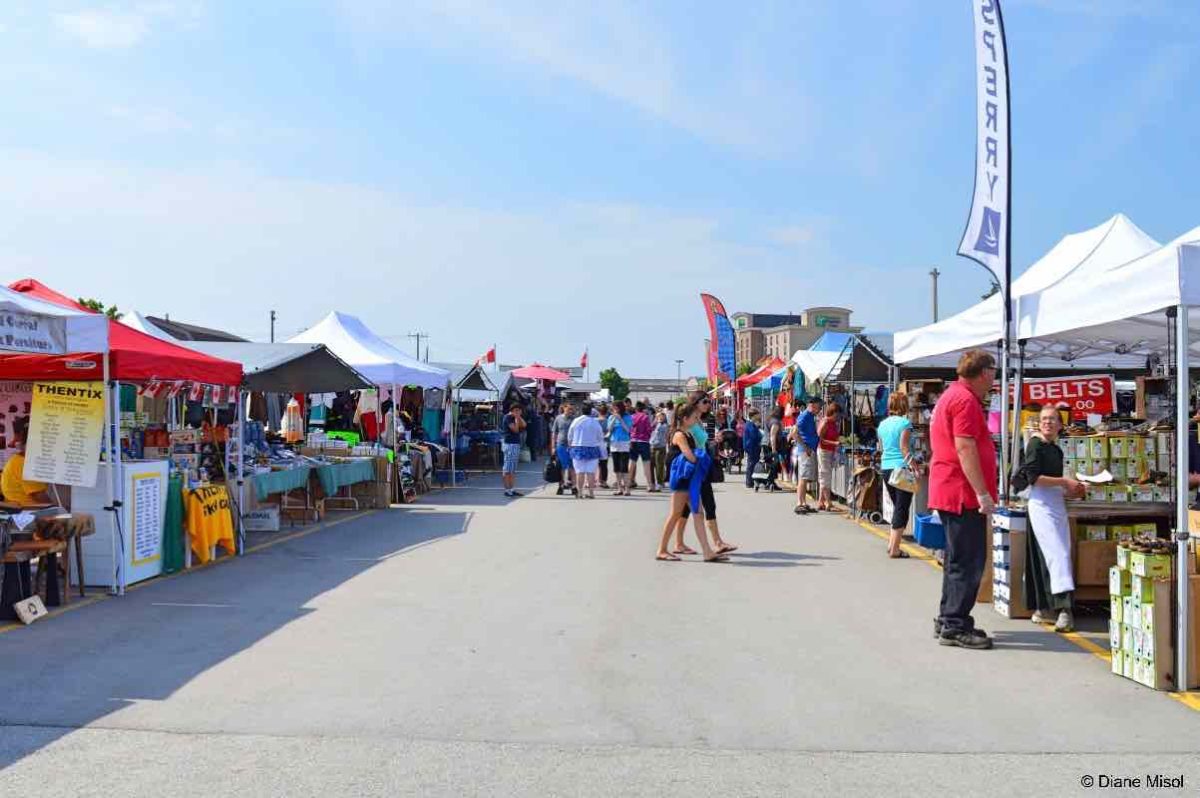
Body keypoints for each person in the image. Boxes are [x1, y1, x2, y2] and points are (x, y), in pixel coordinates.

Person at [930, 349, 999, 650]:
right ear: (984, 372)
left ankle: (948, 618)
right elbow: (965, 448)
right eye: (993, 371)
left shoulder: (953, 395)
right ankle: (955, 624)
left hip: (951, 489)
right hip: (961, 493)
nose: (995, 377)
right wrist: (982, 492)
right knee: (968, 561)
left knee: (957, 560)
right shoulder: (965, 400)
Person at [1013, 405, 1085, 633]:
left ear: (1060, 425)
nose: (1048, 423)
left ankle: (1043, 607)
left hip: (1054, 504)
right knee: (1058, 554)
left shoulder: (1055, 449)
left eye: (1053, 419)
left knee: (1050, 553)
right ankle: (1063, 608)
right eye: (1045, 419)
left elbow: (1051, 479)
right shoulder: (1035, 445)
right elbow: (1034, 478)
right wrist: (1065, 483)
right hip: (1041, 505)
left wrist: (1070, 488)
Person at [656, 400, 726, 562]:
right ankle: (661, 549)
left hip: (689, 480)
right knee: (676, 514)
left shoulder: (686, 433)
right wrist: (701, 459)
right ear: (685, 419)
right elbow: (690, 456)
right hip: (682, 481)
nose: (697, 420)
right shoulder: (680, 435)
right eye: (694, 417)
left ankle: (707, 551)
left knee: (697, 513)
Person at [878, 392, 916, 559]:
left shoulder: (882, 425)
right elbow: (904, 448)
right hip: (901, 468)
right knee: (902, 508)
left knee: (897, 506)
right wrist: (914, 465)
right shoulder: (905, 423)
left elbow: (882, 447)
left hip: (886, 467)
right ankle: (894, 548)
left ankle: (891, 543)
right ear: (904, 405)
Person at [1, 417, 50, 506]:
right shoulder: (24, 463)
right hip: (28, 511)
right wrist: (58, 510)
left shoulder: (18, 460)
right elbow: (39, 496)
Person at [568, 403, 604, 499]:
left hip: (578, 447)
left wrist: (570, 445)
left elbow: (570, 435)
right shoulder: (594, 422)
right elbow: (600, 436)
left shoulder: (576, 421)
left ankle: (580, 492)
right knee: (591, 472)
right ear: (591, 411)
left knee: (579, 472)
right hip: (592, 448)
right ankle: (591, 493)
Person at [792, 398, 820, 514]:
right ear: (812, 405)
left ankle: (803, 502)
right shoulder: (804, 416)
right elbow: (794, 433)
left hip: (808, 450)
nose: (819, 410)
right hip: (805, 451)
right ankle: (799, 502)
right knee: (803, 477)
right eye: (818, 407)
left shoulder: (809, 417)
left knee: (805, 477)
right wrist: (806, 447)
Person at [816, 402, 841, 512]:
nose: (838, 417)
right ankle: (828, 501)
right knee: (825, 476)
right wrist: (834, 443)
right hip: (823, 451)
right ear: (832, 412)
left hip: (830, 451)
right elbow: (819, 439)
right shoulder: (825, 422)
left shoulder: (833, 423)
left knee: (825, 475)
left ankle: (820, 501)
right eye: (837, 414)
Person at [629, 401, 658, 492]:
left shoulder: (632, 417)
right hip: (644, 441)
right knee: (646, 464)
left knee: (632, 463)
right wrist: (653, 426)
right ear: (643, 408)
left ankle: (628, 482)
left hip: (633, 441)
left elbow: (629, 429)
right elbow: (648, 429)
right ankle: (649, 485)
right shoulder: (645, 417)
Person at [607, 400, 633, 496]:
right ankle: (619, 488)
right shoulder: (610, 417)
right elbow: (609, 429)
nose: (615, 410)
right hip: (614, 443)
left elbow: (628, 430)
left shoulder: (627, 417)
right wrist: (614, 419)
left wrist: (620, 419)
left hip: (624, 443)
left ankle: (627, 488)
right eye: (613, 408)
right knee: (616, 468)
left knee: (624, 467)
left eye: (616, 408)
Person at [500, 403, 526, 497]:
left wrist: (519, 417)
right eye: (516, 411)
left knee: (513, 469)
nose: (518, 412)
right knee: (507, 468)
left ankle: (512, 489)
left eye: (519, 411)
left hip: (515, 444)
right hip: (509, 444)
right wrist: (516, 418)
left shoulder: (516, 418)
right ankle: (507, 490)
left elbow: (524, 425)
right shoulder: (507, 418)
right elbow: (515, 430)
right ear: (512, 410)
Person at [552, 404, 577, 496]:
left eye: (571, 409)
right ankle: (561, 486)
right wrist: (553, 447)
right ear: (563, 409)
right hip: (561, 444)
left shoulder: (574, 419)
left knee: (572, 467)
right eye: (568, 409)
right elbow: (554, 432)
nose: (570, 411)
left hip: (572, 445)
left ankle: (574, 486)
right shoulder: (558, 418)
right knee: (561, 467)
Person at [743, 409, 763, 489]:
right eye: (758, 414)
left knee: (752, 463)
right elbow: (753, 436)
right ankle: (749, 482)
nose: (759, 416)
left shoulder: (751, 424)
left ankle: (751, 481)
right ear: (754, 415)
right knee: (751, 464)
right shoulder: (750, 424)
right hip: (752, 447)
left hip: (753, 446)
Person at [766, 407, 785, 491]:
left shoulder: (770, 419)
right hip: (771, 446)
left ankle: (771, 482)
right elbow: (773, 436)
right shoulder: (775, 422)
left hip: (766, 444)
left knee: (771, 464)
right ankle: (770, 481)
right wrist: (774, 449)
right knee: (774, 464)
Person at [650, 410, 670, 487]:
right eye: (658, 416)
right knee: (651, 465)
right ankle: (652, 482)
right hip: (652, 446)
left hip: (660, 447)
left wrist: (657, 423)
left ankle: (660, 481)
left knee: (659, 465)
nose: (659, 418)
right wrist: (654, 423)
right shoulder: (654, 425)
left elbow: (663, 432)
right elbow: (649, 430)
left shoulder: (664, 425)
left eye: (661, 416)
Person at [596, 403, 611, 489]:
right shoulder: (608, 420)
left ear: (599, 411)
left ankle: (592, 481)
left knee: (594, 463)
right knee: (604, 464)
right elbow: (609, 432)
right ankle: (603, 481)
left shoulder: (594, 420)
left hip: (595, 443)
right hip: (605, 444)